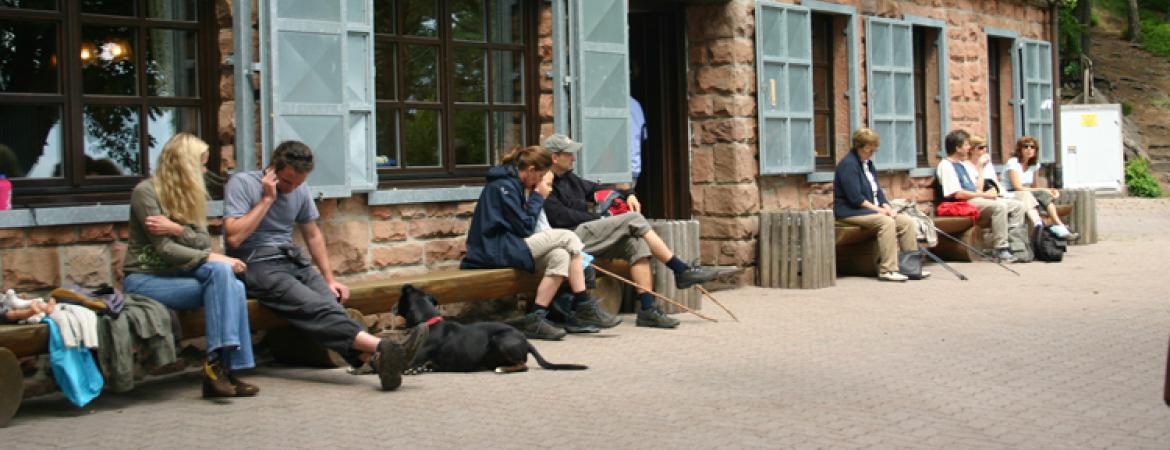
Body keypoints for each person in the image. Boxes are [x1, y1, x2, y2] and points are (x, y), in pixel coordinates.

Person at [223, 141, 426, 392]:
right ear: (273, 168)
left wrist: (329, 279)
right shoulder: (242, 183)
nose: (292, 188)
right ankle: (383, 347)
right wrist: (266, 199)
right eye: (287, 182)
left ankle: (371, 360)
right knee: (313, 307)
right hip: (255, 264)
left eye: (298, 183)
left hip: (291, 261)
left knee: (330, 303)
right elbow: (233, 238)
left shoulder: (300, 188)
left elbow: (312, 234)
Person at [121, 132, 258, 398]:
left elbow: (202, 242)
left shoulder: (190, 195)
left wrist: (175, 227)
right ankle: (223, 369)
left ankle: (219, 369)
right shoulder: (145, 193)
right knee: (229, 283)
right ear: (183, 164)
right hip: (146, 279)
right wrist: (212, 257)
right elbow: (166, 250)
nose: (205, 170)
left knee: (227, 281)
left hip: (182, 274)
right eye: (202, 164)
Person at [542, 134, 719, 328]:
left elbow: (597, 188)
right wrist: (603, 220)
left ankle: (648, 309)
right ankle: (681, 270)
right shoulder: (544, 183)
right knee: (633, 219)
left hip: (587, 237)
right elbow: (559, 217)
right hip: (565, 238)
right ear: (554, 158)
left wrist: (628, 194)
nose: (574, 158)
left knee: (637, 244)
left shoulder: (569, 178)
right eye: (569, 154)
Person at [461, 146, 598, 341]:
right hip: (494, 249)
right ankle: (584, 303)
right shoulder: (504, 187)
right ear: (531, 170)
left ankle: (536, 317)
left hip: (507, 245)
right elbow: (524, 226)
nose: (541, 182)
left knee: (560, 255)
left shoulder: (515, 184)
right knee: (568, 237)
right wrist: (537, 197)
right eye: (541, 176)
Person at [832, 128, 928, 282]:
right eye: (868, 150)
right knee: (886, 222)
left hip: (870, 210)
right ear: (859, 147)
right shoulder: (848, 165)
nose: (871, 154)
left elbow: (878, 191)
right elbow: (855, 198)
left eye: (873, 150)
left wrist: (887, 207)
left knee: (906, 222)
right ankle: (888, 269)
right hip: (850, 211)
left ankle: (911, 267)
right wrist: (880, 211)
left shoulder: (868, 164)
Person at [936, 130, 1019, 263]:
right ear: (957, 148)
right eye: (966, 144)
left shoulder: (962, 164)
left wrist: (981, 171)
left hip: (974, 199)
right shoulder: (946, 165)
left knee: (1016, 206)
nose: (969, 148)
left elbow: (977, 188)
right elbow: (957, 194)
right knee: (999, 207)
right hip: (960, 203)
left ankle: (1017, 244)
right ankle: (1000, 248)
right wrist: (983, 195)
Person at [1000, 136, 1078, 239]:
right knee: (1030, 193)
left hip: (1025, 191)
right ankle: (1045, 225)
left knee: (1043, 194)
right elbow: (1017, 187)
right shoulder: (1013, 163)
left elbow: (1035, 186)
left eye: (1032, 147)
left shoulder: (1034, 164)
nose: (1029, 149)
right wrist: (1044, 190)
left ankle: (1059, 225)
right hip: (1009, 192)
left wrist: (1047, 191)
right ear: (1020, 149)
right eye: (1025, 146)